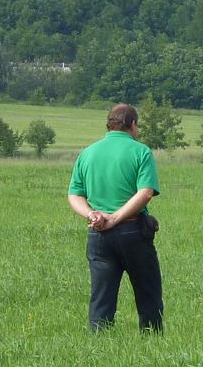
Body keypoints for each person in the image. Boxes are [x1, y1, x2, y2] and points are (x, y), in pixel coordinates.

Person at [68, 103, 163, 331]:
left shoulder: (88, 153)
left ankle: (99, 349)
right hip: (133, 232)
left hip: (98, 234)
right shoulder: (141, 151)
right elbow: (146, 192)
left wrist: (93, 215)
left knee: (101, 298)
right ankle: (151, 346)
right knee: (148, 295)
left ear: (109, 125)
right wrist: (116, 218)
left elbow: (74, 194)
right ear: (132, 124)